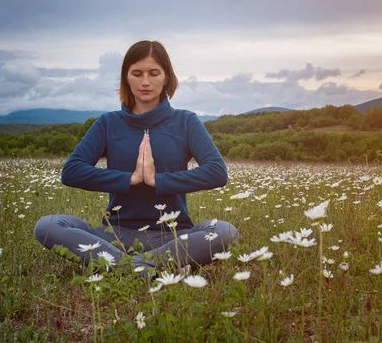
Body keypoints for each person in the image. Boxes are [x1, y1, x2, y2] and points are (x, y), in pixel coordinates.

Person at [34, 40, 238, 277]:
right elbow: (71, 171)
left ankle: (123, 264)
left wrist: (157, 181)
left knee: (225, 231)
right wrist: (129, 179)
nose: (145, 82)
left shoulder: (186, 122)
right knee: (48, 225)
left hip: (173, 234)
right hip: (117, 234)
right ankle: (144, 265)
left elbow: (217, 172)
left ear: (167, 78)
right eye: (137, 73)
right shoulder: (108, 123)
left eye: (154, 73)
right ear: (126, 78)